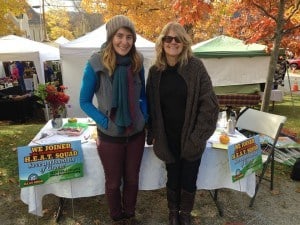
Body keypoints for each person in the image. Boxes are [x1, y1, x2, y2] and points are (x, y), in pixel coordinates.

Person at [146, 22, 219, 225]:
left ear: (184, 43)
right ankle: (173, 213)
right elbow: (151, 105)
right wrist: (152, 132)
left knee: (189, 177)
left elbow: (210, 105)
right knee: (173, 177)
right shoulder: (155, 72)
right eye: (168, 38)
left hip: (191, 137)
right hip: (167, 136)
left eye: (177, 38)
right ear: (162, 42)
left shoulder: (195, 68)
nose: (173, 42)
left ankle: (185, 214)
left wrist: (197, 137)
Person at [79, 15, 148, 225]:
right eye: (119, 36)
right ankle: (117, 217)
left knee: (133, 179)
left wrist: (143, 116)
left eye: (129, 37)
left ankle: (130, 213)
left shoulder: (138, 62)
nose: (124, 42)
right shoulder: (96, 62)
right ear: (111, 37)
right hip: (109, 136)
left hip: (136, 134)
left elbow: (143, 95)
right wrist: (105, 121)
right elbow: (84, 101)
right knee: (112, 182)